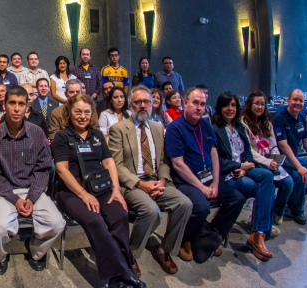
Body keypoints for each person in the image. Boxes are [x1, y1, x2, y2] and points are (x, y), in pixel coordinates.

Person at [52, 93, 146, 288]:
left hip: (102, 187)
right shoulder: (62, 136)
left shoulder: (96, 135)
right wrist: (84, 194)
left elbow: (109, 162)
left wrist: (115, 189)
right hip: (71, 192)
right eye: (78, 111)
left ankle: (118, 277)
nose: (83, 116)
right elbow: (62, 170)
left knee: (120, 215)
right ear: (69, 112)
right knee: (95, 221)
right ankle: (125, 272)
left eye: (87, 112)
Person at [109, 85, 192, 275]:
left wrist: (162, 180)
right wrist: (141, 184)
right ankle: (131, 253)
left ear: (152, 105)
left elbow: (163, 160)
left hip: (156, 180)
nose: (143, 105)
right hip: (132, 183)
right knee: (151, 210)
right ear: (130, 105)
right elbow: (116, 165)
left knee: (185, 204)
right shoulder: (118, 129)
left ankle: (164, 249)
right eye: (138, 102)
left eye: (146, 101)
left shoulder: (158, 127)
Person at [0, 86, 64, 275]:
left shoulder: (37, 133)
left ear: (27, 106)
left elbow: (43, 168)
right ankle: (0, 256)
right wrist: (15, 199)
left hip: (32, 189)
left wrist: (33, 196)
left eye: (21, 104)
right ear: (4, 105)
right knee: (0, 229)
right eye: (12, 103)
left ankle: (36, 250)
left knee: (57, 224)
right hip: (3, 192)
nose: (17, 108)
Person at [165, 87, 245, 263]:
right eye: (195, 103)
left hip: (208, 178)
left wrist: (216, 182)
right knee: (202, 207)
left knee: (237, 198)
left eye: (202, 104)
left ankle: (207, 237)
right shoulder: (175, 128)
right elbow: (178, 164)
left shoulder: (206, 125)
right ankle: (185, 239)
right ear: (185, 103)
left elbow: (214, 153)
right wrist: (201, 187)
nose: (199, 107)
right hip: (186, 181)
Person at [211, 92, 275, 261]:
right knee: (261, 188)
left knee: (267, 176)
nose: (230, 109)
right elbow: (217, 161)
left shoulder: (239, 126)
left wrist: (245, 168)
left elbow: (247, 152)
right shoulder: (214, 129)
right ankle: (259, 235)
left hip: (245, 169)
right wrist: (239, 166)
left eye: (233, 105)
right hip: (228, 173)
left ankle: (257, 234)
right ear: (219, 108)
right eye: (226, 105)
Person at [240, 91, 295, 229]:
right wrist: (266, 162)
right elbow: (249, 150)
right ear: (249, 105)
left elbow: (273, 145)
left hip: (270, 161)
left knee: (289, 183)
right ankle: (264, 225)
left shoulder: (267, 123)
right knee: (268, 182)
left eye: (263, 104)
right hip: (256, 162)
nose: (260, 107)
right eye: (256, 104)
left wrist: (276, 158)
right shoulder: (243, 123)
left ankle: (277, 213)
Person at [272, 89, 307, 225]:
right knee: (300, 176)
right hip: (281, 159)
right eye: (295, 99)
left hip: (293, 157)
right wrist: (299, 167)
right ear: (288, 101)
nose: (298, 103)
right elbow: (283, 146)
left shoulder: (301, 118)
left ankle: (292, 199)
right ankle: (297, 210)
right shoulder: (279, 119)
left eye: (300, 100)